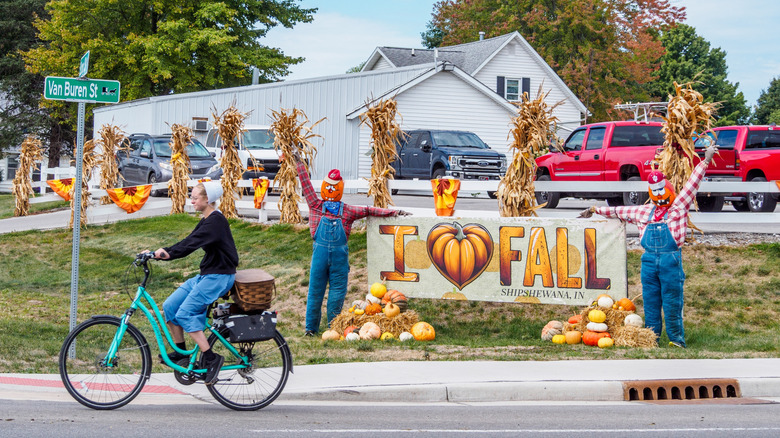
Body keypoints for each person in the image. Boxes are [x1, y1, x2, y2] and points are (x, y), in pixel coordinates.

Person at [578, 144, 717, 348]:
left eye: (662, 190)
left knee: (672, 302)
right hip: (649, 262)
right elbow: (619, 211)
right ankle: (653, 338)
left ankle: (676, 340)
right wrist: (594, 209)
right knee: (651, 302)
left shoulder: (678, 208)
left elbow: (692, 185)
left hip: (671, 260)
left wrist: (705, 161)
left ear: (668, 189)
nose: (659, 195)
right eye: (655, 191)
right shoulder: (643, 212)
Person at [292, 151, 410, 336]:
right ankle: (310, 329)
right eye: (328, 186)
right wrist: (299, 162)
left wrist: (395, 212)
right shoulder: (315, 204)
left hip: (339, 260)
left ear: (340, 188)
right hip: (319, 258)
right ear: (324, 187)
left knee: (337, 293)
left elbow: (369, 210)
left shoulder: (347, 211)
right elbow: (306, 185)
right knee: (315, 292)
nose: (331, 190)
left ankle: (334, 326)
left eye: (334, 187)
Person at [149, 181, 239, 385]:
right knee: (170, 307)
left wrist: (167, 253)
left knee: (185, 313)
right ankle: (182, 354)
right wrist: (160, 252)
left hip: (219, 277)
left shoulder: (216, 221)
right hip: (207, 275)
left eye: (195, 197)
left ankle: (210, 358)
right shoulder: (207, 219)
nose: (192, 200)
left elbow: (191, 245)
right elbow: (189, 240)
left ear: (207, 200)